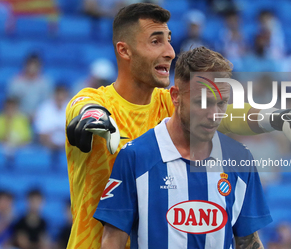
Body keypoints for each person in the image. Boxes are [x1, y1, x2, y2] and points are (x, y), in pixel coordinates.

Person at [65, 3, 291, 249]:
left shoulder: (170, 103)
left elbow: (231, 115)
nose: (169, 51)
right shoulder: (95, 101)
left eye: (169, 40)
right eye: (156, 41)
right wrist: (93, 117)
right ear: (124, 50)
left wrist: (278, 117)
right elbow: (84, 110)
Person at [94, 46, 272, 249]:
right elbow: (112, 241)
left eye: (221, 103)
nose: (214, 114)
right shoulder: (135, 157)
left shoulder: (240, 160)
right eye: (203, 102)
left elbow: (249, 242)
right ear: (175, 96)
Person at [7, 53, 53, 119]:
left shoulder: (45, 82)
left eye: (35, 65)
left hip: (40, 116)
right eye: (30, 65)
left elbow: (48, 103)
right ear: (25, 66)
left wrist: (37, 114)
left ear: (40, 67)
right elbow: (11, 103)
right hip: (19, 116)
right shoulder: (16, 81)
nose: (32, 68)